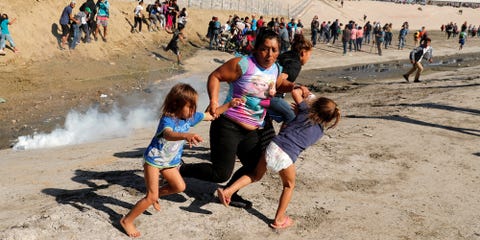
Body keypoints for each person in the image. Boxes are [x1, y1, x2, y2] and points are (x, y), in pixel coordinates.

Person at [179, 30, 299, 209]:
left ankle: (230, 193)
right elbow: (215, 76)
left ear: (279, 51)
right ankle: (180, 170)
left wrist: (295, 86)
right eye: (265, 49)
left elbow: (279, 84)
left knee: (255, 167)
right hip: (228, 124)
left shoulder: (276, 69)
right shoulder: (243, 64)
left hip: (252, 129)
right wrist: (213, 100)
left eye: (274, 50)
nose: (269, 54)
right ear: (257, 48)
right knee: (220, 173)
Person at [120, 83, 243, 238]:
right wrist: (186, 135)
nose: (193, 111)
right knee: (151, 196)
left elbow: (211, 115)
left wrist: (230, 105)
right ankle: (127, 220)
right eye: (189, 107)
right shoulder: (168, 120)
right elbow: (168, 134)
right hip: (154, 160)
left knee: (179, 186)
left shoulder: (190, 118)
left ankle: (155, 195)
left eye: (194, 107)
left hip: (170, 162)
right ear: (175, 104)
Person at [217, 88, 340, 229]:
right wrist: (305, 109)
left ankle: (228, 191)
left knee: (255, 175)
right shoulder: (319, 132)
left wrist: (307, 93)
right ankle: (279, 219)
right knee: (289, 185)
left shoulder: (305, 110)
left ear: (315, 104)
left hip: (273, 145)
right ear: (330, 119)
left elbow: (296, 92)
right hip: (286, 155)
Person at [269, 34, 313, 124]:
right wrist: (296, 87)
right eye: (309, 55)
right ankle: (283, 138)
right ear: (303, 53)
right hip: (271, 96)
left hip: (261, 90)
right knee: (292, 116)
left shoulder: (286, 55)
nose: (308, 58)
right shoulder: (295, 64)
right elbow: (279, 80)